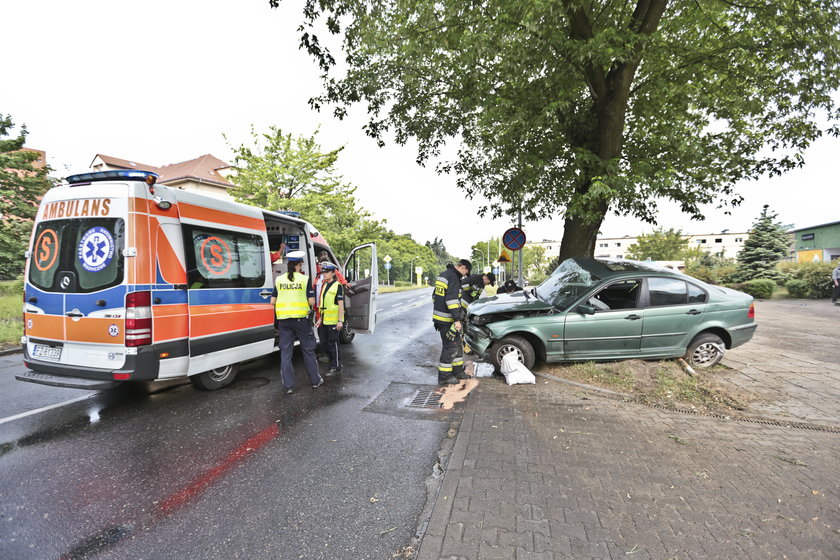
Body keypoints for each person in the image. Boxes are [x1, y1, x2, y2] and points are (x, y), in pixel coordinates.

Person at [270, 250, 323, 394]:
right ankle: (315, 381)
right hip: (301, 321)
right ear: (299, 265)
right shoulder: (304, 280)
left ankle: (289, 387)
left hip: (284, 322)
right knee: (308, 350)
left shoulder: (279, 279)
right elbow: (311, 301)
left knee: (285, 353)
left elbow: (272, 300)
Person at [432, 259, 471, 384]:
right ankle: (445, 376)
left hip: (440, 318)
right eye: (466, 273)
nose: (464, 276)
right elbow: (452, 301)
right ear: (463, 267)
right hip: (448, 320)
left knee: (457, 345)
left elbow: (435, 297)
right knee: (450, 347)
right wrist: (457, 319)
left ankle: (457, 371)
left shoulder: (444, 275)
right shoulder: (453, 277)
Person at [315, 262, 345, 376]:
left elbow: (340, 305)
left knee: (333, 344)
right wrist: (320, 319)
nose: (324, 274)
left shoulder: (337, 285)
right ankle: (337, 362)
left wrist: (340, 320)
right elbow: (323, 304)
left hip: (333, 321)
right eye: (323, 271)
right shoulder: (324, 285)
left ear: (333, 273)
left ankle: (335, 366)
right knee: (323, 343)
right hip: (324, 320)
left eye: (327, 272)